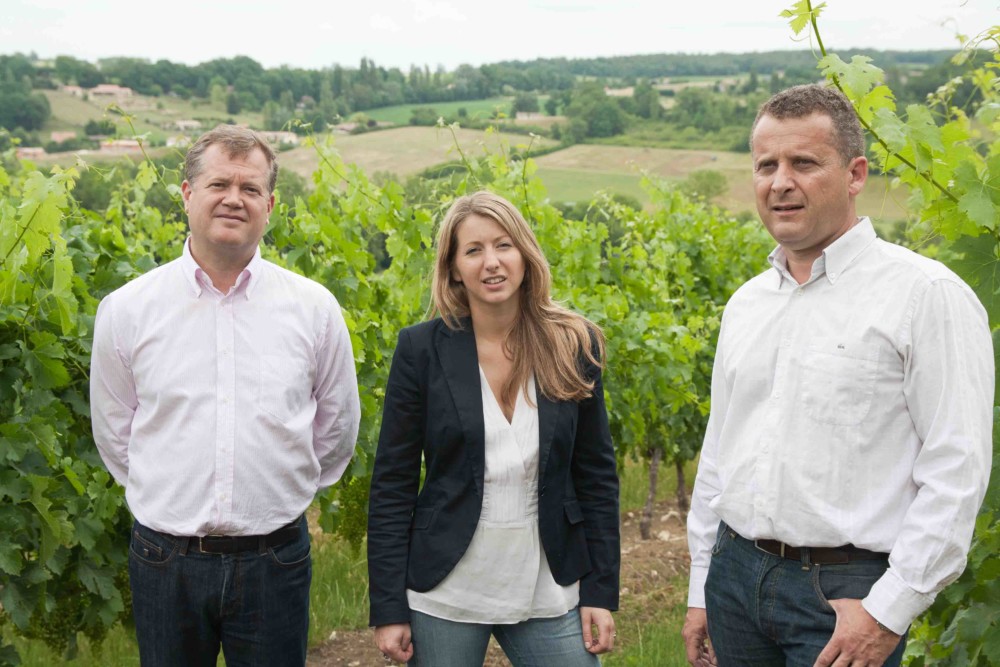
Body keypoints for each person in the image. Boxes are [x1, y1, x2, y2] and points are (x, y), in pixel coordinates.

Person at [682, 84, 994, 667]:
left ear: (854, 174)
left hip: (843, 595)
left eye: (804, 163)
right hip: (734, 576)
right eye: (766, 165)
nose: (780, 182)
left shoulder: (926, 297)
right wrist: (703, 586)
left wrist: (887, 611)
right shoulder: (747, 303)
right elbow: (719, 453)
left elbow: (957, 470)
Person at [90, 124, 361, 666]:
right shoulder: (127, 309)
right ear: (188, 194)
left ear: (270, 204)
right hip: (165, 560)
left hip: (275, 559)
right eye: (219, 184)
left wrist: (283, 492)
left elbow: (336, 430)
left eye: (251, 188)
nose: (234, 199)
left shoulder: (313, 309)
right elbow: (115, 433)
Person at [367, 191, 620, 666]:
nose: (491, 262)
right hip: (446, 588)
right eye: (473, 250)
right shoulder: (420, 350)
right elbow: (393, 484)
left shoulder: (573, 344)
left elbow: (597, 477)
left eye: (503, 245)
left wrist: (601, 590)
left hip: (548, 579)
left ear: (525, 253)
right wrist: (388, 607)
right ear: (453, 269)